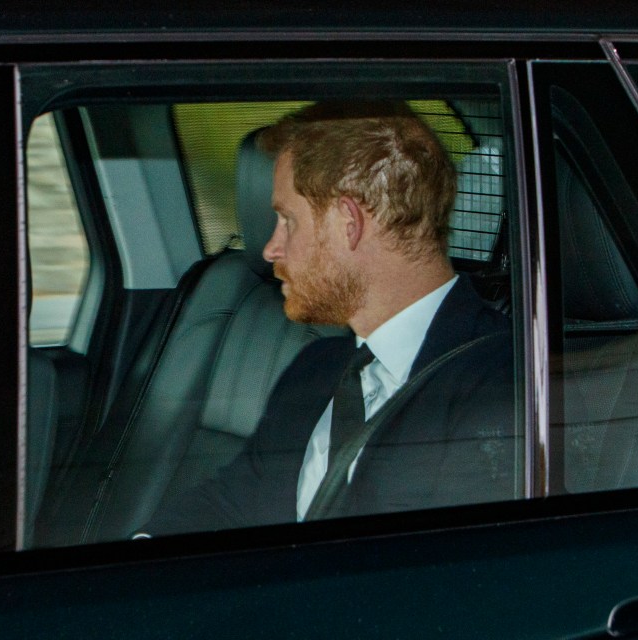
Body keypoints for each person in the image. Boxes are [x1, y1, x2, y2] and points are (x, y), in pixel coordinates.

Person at [141, 101, 514, 534]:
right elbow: (231, 502)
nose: (270, 248)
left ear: (348, 222)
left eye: (287, 221)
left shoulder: (503, 384)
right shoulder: (314, 369)